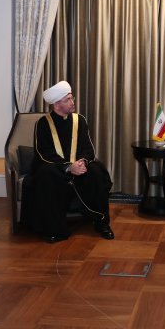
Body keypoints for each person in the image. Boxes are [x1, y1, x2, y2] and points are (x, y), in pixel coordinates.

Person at [20, 81, 114, 243]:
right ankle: (55, 229)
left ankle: (102, 223)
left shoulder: (80, 120)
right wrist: (68, 167)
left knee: (97, 172)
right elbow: (43, 152)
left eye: (72, 98)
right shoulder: (42, 124)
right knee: (46, 174)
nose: (72, 102)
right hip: (56, 167)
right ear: (57, 104)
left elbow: (88, 147)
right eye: (68, 100)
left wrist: (82, 162)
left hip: (79, 165)